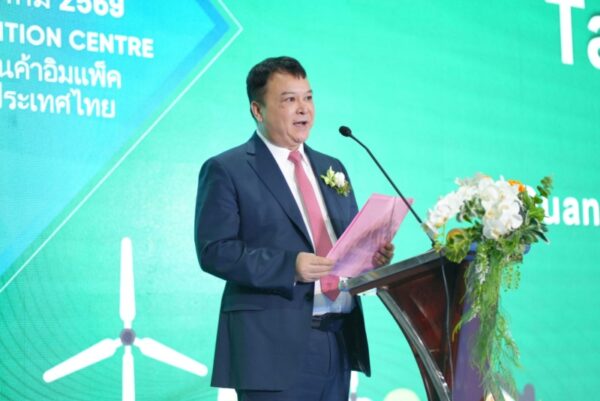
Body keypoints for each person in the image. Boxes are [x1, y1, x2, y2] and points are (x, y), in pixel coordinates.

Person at [194, 56, 394, 401]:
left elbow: (345, 244)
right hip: (269, 348)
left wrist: (370, 257)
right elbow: (215, 251)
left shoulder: (332, 167)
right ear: (258, 110)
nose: (304, 109)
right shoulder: (227, 169)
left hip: (338, 340)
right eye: (289, 99)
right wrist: (289, 266)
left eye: (308, 97)